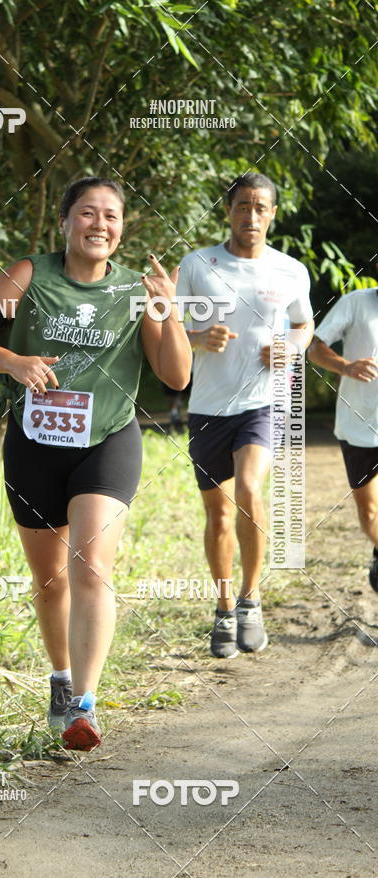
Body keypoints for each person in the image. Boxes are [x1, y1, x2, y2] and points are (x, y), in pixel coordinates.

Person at [0, 176, 191, 750]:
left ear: (122, 229)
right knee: (50, 579)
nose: (99, 224)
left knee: (90, 566)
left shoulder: (136, 290)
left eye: (110, 216)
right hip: (34, 443)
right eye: (87, 213)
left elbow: (176, 376)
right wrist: (13, 361)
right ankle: (60, 680)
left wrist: (168, 312)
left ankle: (84, 704)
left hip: (108, 440)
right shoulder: (29, 273)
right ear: (64, 222)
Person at [179, 172, 314, 658]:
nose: (251, 216)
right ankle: (222, 609)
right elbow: (169, 329)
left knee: (251, 489)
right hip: (209, 406)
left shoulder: (290, 271)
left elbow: (303, 324)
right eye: (242, 206)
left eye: (260, 207)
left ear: (272, 214)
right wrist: (198, 339)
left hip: (264, 400)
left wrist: (290, 349)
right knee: (217, 514)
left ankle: (251, 600)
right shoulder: (198, 264)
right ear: (228, 211)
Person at [307, 288, 378, 592]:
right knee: (370, 511)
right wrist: (346, 367)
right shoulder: (356, 302)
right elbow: (315, 348)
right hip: (359, 426)